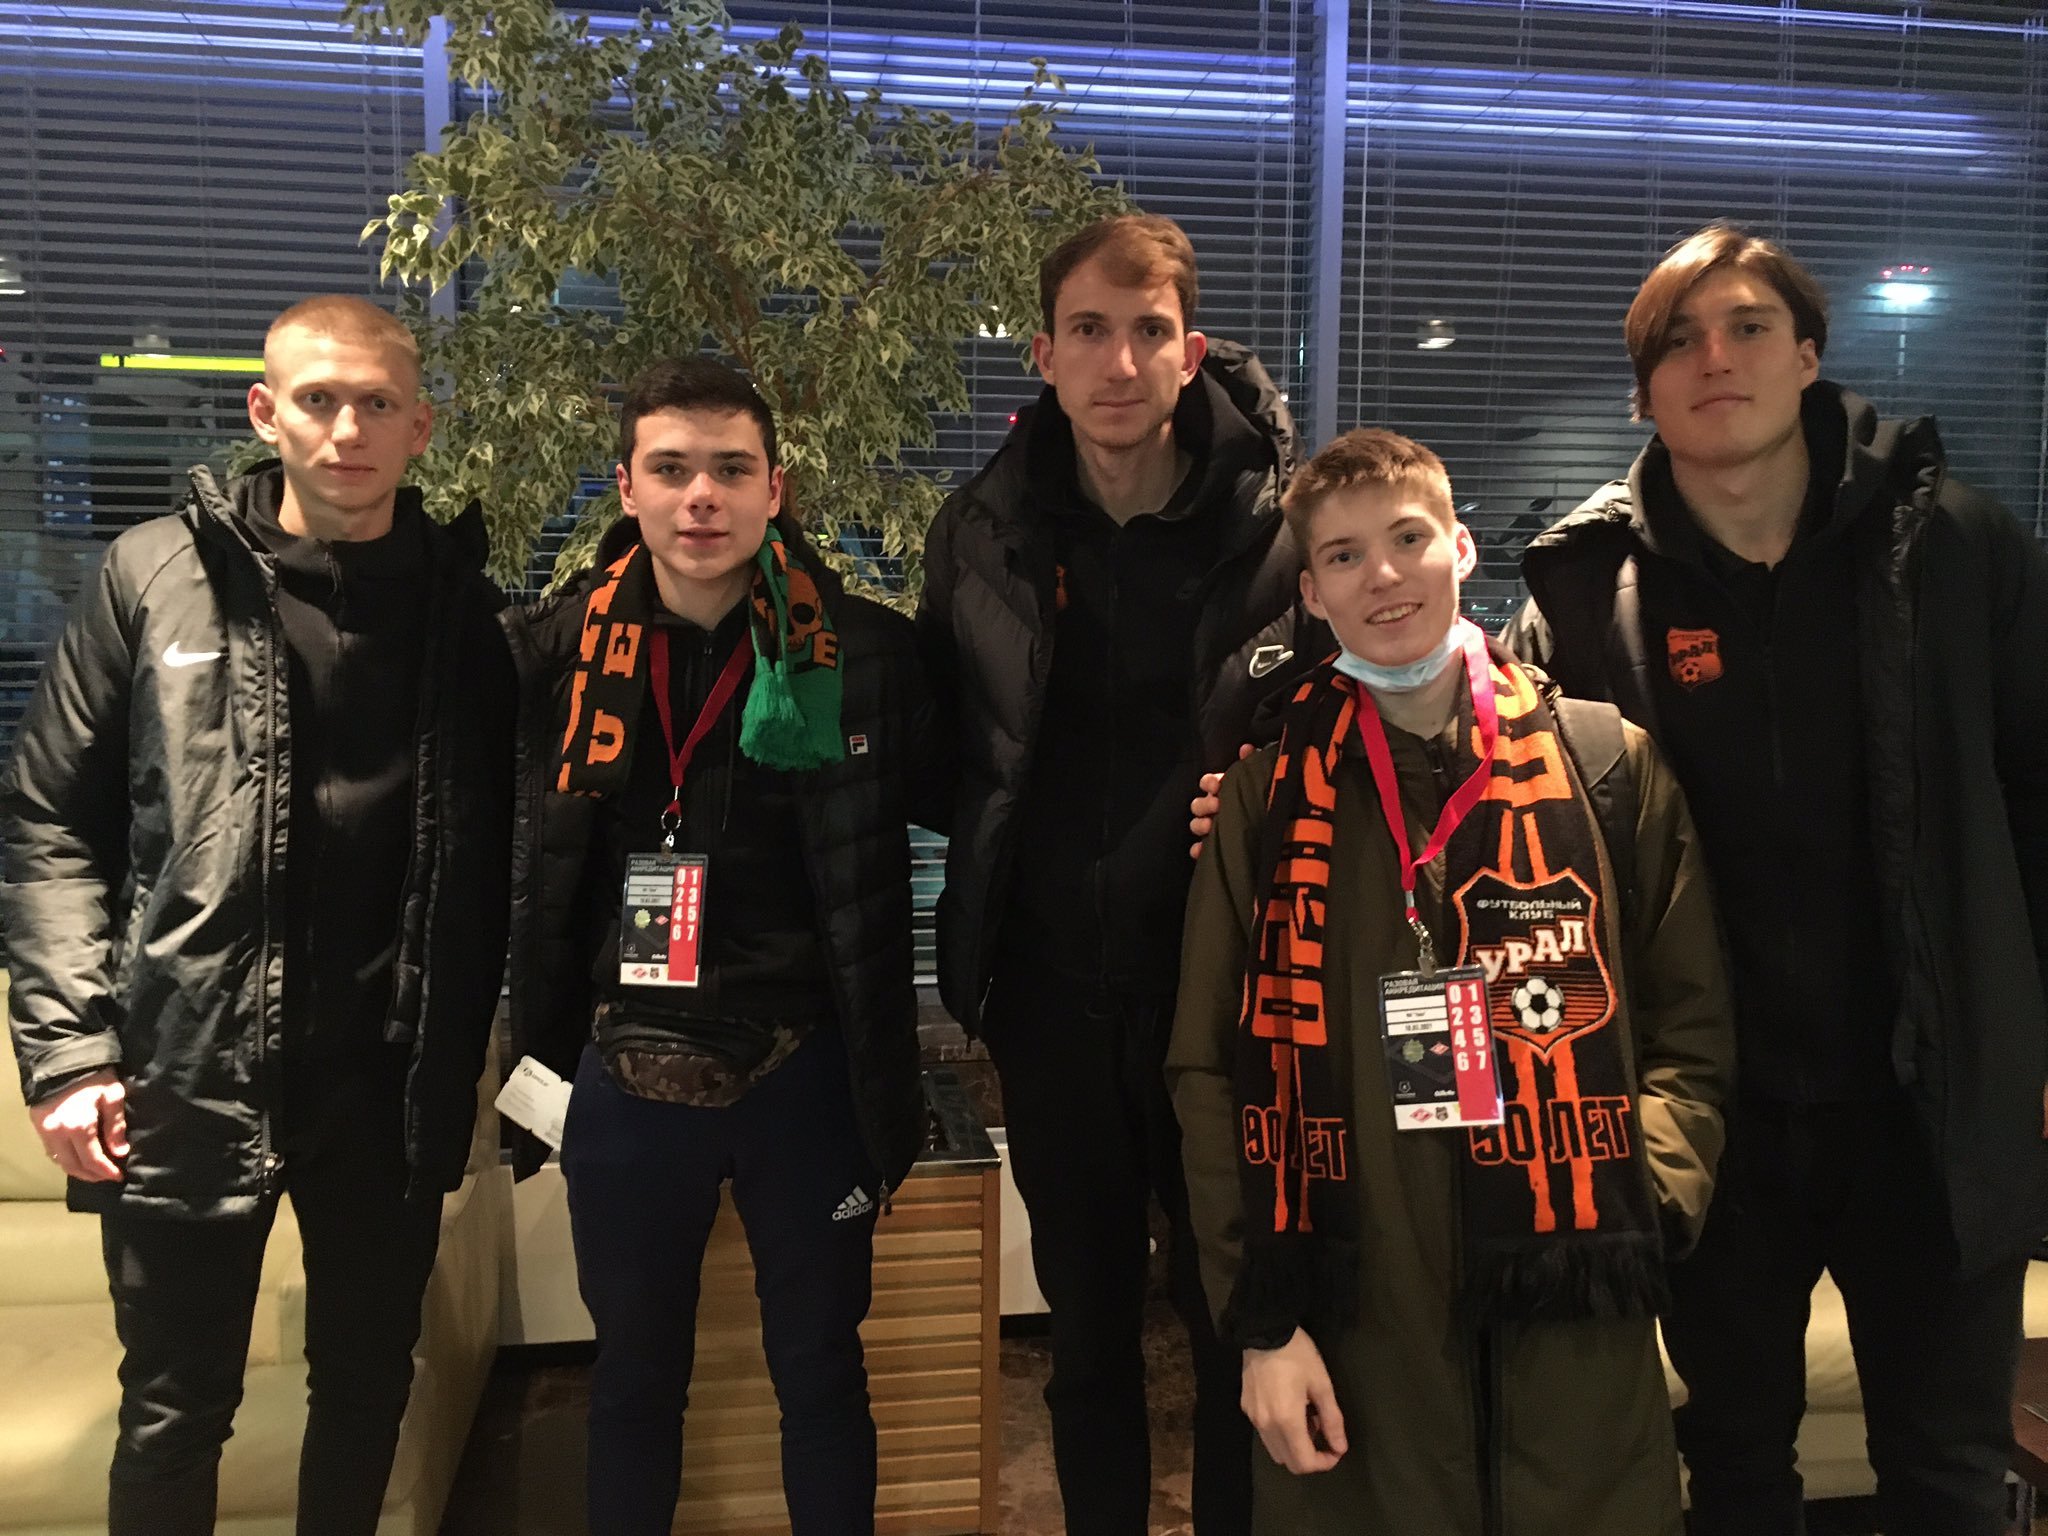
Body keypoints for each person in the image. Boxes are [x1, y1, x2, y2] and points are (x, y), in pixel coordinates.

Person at [1504, 224, 2048, 1535]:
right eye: (1677, 342)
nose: (1715, 359)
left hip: (1929, 1102)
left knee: (1949, 1472)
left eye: (1747, 326)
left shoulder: (1957, 548)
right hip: (1714, 1114)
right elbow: (1504, 827)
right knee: (1733, 1470)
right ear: (1643, 391)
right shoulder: (1579, 593)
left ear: (1807, 354)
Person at [2, 294, 515, 1535]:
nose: (347, 429)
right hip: (192, 1068)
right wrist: (67, 1054)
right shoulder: (151, 578)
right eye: (319, 400)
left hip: (389, 1080)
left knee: (366, 1389)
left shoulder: (467, 613)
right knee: (174, 1410)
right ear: (265, 411)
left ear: (420, 426)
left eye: (377, 404)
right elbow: (50, 824)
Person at [1170, 426, 1733, 1534]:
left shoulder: (1606, 765)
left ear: (1460, 548)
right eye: (1342, 555)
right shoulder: (1266, 800)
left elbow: (1692, 1027)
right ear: (1311, 593)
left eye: (1407, 538)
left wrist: (1642, 1194)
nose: (1381, 574)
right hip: (1355, 1336)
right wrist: (1264, 1322)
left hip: (1575, 1334)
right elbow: (1207, 1070)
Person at [915, 211, 1322, 1535]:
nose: (1120, 360)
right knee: (1086, 1334)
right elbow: (945, 747)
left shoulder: (1285, 532)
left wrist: (1266, 792)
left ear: (1191, 351)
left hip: (1229, 999)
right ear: (1043, 353)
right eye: (1089, 329)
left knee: (1236, 1323)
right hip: (1049, 997)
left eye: (1150, 331)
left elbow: (1360, 728)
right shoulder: (980, 532)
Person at [502, 357, 947, 1535]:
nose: (700, 495)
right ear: (627, 488)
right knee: (632, 1378)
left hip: (810, 1070)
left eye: (730, 469)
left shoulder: (867, 653)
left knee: (822, 1372)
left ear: (772, 489)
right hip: (624, 1072)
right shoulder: (550, 656)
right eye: (671, 468)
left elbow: (983, 804)